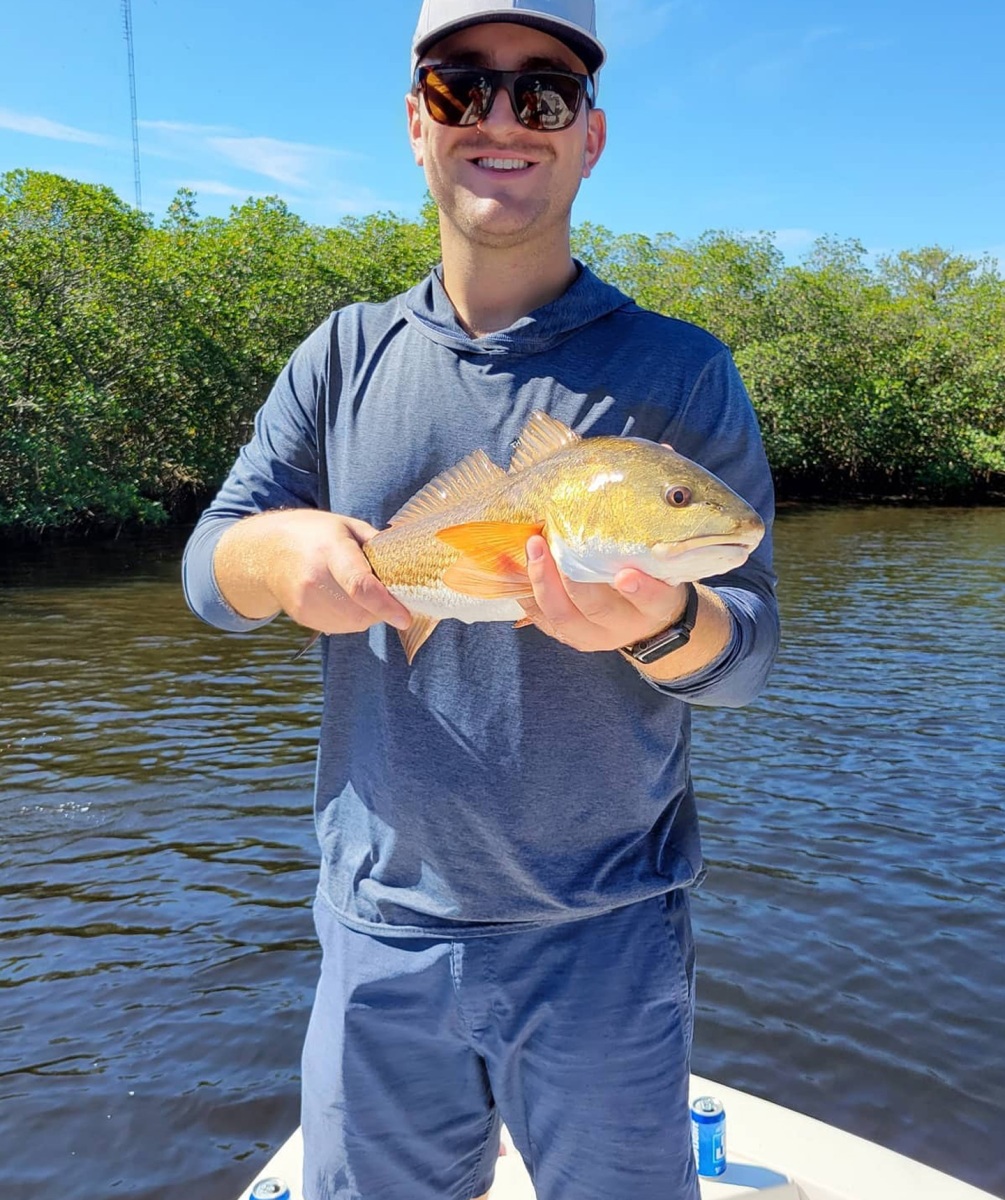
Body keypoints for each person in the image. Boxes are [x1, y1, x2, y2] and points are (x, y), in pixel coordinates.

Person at [182, 2, 780, 1197]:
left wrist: (666, 623)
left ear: (589, 136)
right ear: (418, 122)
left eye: (544, 94)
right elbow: (211, 572)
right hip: (380, 934)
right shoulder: (340, 357)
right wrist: (280, 558)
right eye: (462, 87)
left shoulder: (681, 370)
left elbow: (748, 648)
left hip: (608, 936)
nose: (503, 119)